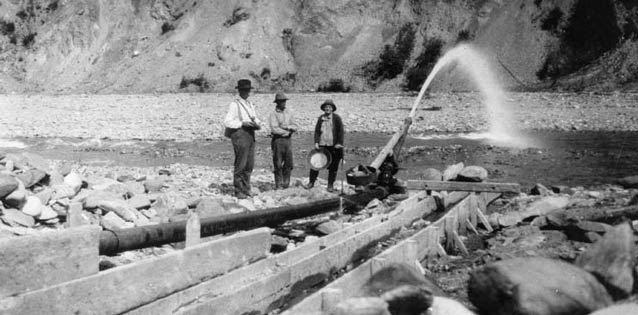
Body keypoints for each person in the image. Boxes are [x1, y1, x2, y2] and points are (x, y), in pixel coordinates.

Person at [223, 79, 262, 199]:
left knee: (249, 164)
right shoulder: (234, 104)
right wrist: (242, 123)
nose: (247, 92)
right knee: (241, 163)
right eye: (244, 90)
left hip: (250, 134)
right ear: (239, 91)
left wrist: (257, 124)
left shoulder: (250, 104)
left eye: (248, 90)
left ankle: (246, 188)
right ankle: (238, 190)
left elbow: (255, 118)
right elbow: (228, 122)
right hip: (240, 134)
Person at [305, 99, 344, 192]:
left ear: (332, 109)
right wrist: (316, 142)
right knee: (315, 164)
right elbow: (317, 131)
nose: (327, 108)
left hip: (333, 146)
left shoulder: (337, 118)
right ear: (323, 108)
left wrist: (339, 143)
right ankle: (311, 183)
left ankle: (330, 185)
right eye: (326, 107)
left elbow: (340, 132)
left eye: (329, 107)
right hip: (322, 146)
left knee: (333, 167)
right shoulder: (321, 118)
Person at [269, 92, 298, 189]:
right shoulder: (273, 114)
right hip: (278, 140)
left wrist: (287, 127)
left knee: (289, 163)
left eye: (284, 101)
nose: (283, 103)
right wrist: (286, 132)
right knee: (277, 163)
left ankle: (286, 183)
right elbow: (274, 129)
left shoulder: (289, 112)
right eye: (281, 101)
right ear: (277, 102)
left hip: (288, 141)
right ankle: (279, 184)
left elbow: (295, 126)